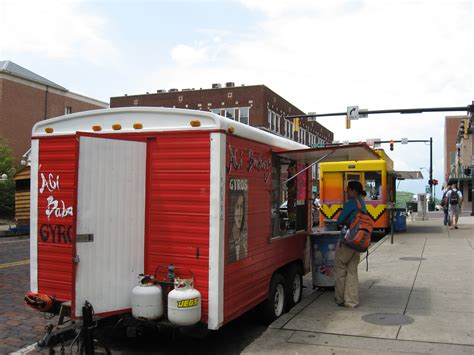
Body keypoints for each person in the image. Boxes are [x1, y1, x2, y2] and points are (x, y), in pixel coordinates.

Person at [335, 180, 367, 308]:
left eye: (348, 189)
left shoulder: (351, 203)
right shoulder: (362, 203)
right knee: (352, 270)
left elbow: (340, 219)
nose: (346, 192)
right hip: (359, 241)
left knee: (340, 266)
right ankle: (352, 301)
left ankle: (341, 298)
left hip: (349, 240)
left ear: (353, 190)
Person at [228, 190, 248, 262]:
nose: (239, 213)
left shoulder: (243, 239)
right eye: (237, 207)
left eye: (241, 207)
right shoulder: (228, 237)